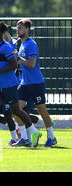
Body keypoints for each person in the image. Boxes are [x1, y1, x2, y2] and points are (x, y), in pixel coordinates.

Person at [0, 22, 41, 148]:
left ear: (1, 34)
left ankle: (34, 132)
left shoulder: (6, 47)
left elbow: (13, 65)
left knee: (16, 111)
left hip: (9, 85)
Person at [14, 19, 57, 147]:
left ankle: (51, 137)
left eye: (20, 28)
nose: (18, 30)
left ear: (27, 29)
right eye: (17, 28)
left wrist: (19, 58)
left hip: (36, 83)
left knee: (42, 110)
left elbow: (32, 64)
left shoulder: (31, 44)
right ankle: (26, 137)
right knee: (15, 110)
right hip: (24, 84)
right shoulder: (21, 44)